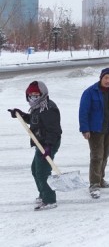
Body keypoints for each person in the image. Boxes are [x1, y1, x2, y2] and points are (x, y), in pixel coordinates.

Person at [7, 81, 62, 211]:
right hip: (41, 142)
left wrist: (48, 146)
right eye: (31, 94)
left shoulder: (48, 108)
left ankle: (49, 200)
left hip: (48, 143)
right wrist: (20, 114)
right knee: (35, 169)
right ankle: (43, 193)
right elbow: (34, 120)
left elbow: (54, 130)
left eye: (36, 94)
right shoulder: (38, 106)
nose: (33, 97)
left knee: (42, 172)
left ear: (43, 94)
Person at [79, 67, 109, 199]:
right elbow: (83, 111)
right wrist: (85, 129)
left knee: (105, 155)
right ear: (101, 78)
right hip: (95, 130)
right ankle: (94, 184)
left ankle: (101, 179)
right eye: (106, 78)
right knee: (96, 157)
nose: (108, 81)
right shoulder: (90, 92)